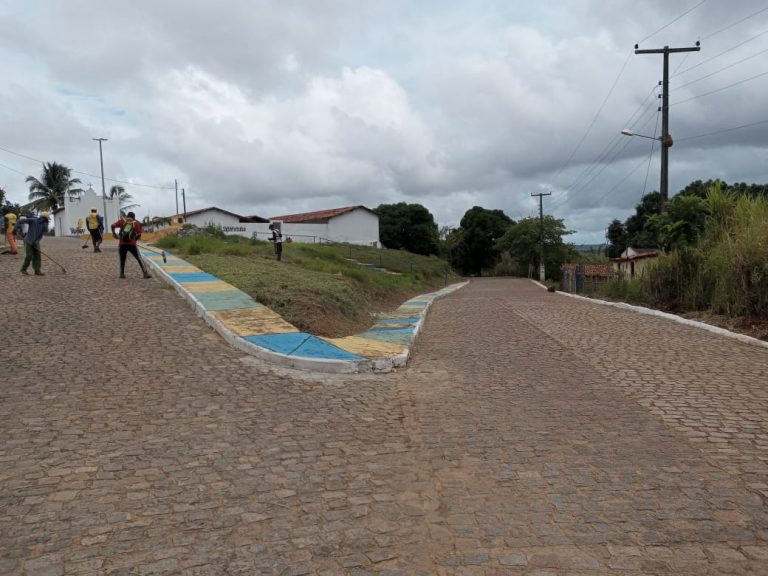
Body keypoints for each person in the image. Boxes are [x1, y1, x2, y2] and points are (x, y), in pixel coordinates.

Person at [111, 211, 151, 279]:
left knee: (122, 259)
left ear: (127, 216)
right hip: (132, 244)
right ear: (134, 217)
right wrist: (135, 240)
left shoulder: (122, 221)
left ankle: (122, 274)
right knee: (139, 258)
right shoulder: (136, 223)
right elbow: (139, 234)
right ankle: (145, 273)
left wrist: (114, 234)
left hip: (122, 244)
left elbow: (112, 225)